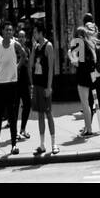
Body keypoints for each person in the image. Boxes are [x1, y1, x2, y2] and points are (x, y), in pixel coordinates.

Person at [0, 21, 22, 158]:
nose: (9, 32)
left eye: (11, 30)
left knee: (13, 115)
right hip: (1, 83)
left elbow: (25, 55)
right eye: (7, 30)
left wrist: (17, 67)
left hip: (12, 83)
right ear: (2, 32)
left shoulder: (15, 44)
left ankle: (14, 145)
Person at [30, 18, 58, 156]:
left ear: (41, 33)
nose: (34, 34)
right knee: (40, 114)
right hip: (37, 84)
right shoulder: (35, 47)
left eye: (35, 32)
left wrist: (49, 87)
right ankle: (42, 144)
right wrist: (32, 48)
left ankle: (54, 143)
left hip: (45, 85)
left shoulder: (48, 46)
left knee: (48, 113)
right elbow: (31, 64)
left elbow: (51, 69)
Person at [69, 24, 97, 137]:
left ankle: (89, 129)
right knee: (87, 104)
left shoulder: (78, 45)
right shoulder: (89, 46)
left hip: (82, 77)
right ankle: (87, 127)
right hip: (89, 77)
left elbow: (75, 62)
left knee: (85, 104)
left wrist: (70, 54)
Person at [15, 24, 31, 140]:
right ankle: (15, 131)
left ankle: (23, 129)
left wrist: (31, 83)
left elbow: (29, 66)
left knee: (27, 105)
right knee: (15, 107)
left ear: (25, 38)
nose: (21, 38)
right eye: (19, 36)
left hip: (25, 81)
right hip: (15, 81)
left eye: (23, 37)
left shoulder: (27, 50)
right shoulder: (14, 49)